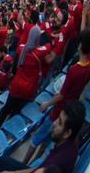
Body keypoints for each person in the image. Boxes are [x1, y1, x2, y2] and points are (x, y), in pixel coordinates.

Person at [23, 28, 90, 165]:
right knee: (47, 140)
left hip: (60, 111)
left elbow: (62, 95)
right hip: (70, 106)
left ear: (81, 45)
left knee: (36, 139)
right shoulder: (88, 65)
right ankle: (34, 162)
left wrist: (46, 104)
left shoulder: (74, 69)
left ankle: (24, 163)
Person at [0, 100, 86, 173]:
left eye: (60, 123)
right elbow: (39, 168)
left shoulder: (57, 162)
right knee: (2, 161)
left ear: (67, 133)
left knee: (1, 163)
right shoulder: (72, 139)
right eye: (58, 118)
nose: (54, 123)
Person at [0, 35, 56, 131]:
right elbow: (49, 47)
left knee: (6, 109)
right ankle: (4, 131)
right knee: (15, 112)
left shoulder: (23, 49)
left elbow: (21, 49)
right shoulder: (41, 53)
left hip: (17, 86)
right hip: (28, 90)